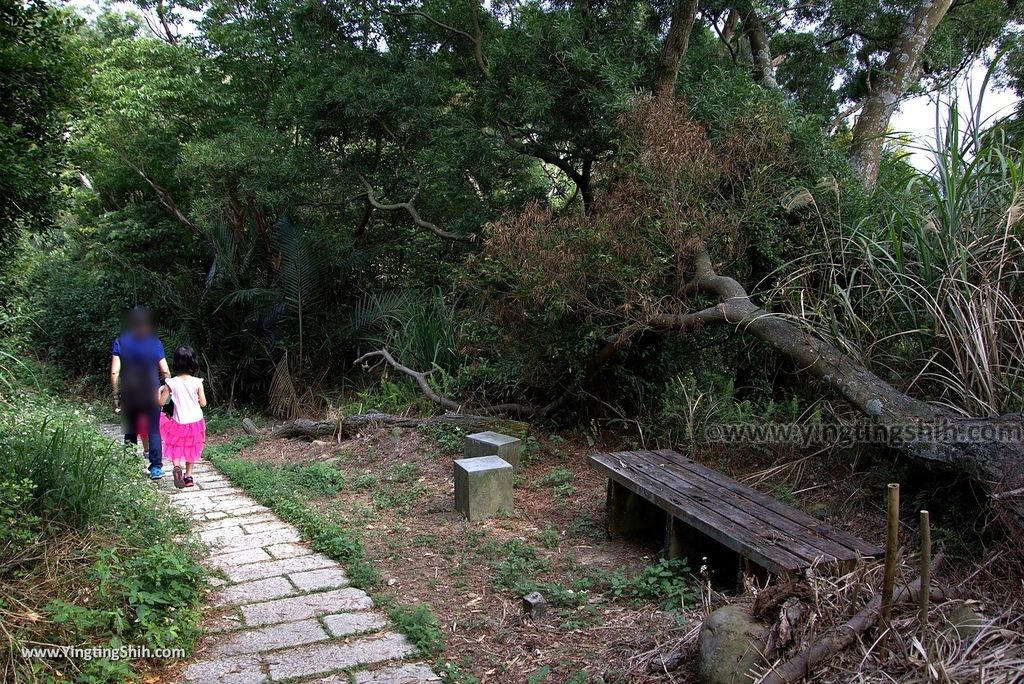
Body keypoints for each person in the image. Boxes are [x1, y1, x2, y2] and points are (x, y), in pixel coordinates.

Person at [111, 306, 170, 479]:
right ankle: (156, 467)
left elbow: (114, 372)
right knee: (153, 430)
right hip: (151, 392)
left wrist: (116, 397)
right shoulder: (154, 342)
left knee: (130, 430)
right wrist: (166, 392)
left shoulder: (121, 342)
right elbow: (165, 371)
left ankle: (129, 466)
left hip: (130, 392)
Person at [159, 345, 207, 489]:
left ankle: (176, 467)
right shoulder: (197, 382)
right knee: (192, 447)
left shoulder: (171, 383)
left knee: (175, 445)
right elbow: (203, 403)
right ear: (193, 362)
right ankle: (189, 476)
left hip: (179, 420)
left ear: (176, 362)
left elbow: (161, 402)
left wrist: (159, 390)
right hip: (195, 421)